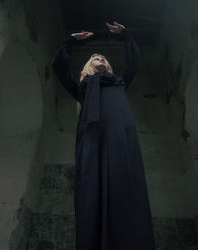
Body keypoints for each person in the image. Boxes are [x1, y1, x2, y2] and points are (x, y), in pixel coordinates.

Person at [52, 21, 156, 250]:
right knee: (92, 189)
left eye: (102, 57)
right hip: (92, 138)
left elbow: (133, 63)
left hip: (120, 136)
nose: (99, 56)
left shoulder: (119, 82)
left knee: (124, 184)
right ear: (89, 65)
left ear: (107, 64)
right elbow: (59, 68)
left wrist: (126, 36)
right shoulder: (83, 87)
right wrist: (70, 41)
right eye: (94, 57)